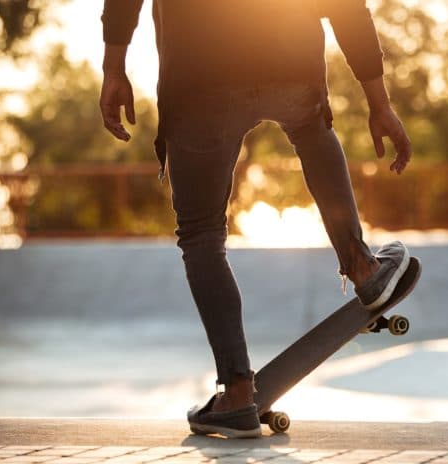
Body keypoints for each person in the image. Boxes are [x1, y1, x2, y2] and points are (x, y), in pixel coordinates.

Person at [100, 0, 412, 438]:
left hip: (200, 76)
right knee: (310, 127)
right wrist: (378, 103)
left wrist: (113, 69)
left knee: (201, 235)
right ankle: (363, 268)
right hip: (289, 57)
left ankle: (237, 391)